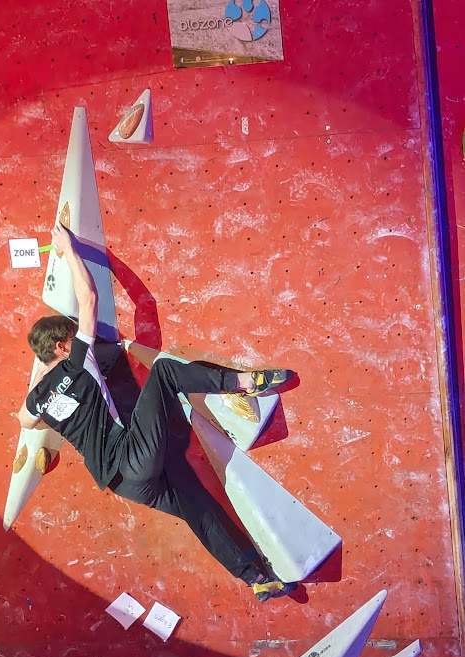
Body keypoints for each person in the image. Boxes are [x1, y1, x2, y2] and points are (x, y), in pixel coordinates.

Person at [18, 223, 298, 602]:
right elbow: (89, 298)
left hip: (125, 485)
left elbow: (25, 420)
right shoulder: (77, 362)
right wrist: (68, 249)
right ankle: (243, 383)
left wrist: (41, 374)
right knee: (165, 371)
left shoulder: (36, 401)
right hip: (131, 456)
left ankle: (256, 579)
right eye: (73, 337)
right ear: (63, 346)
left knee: (196, 505)